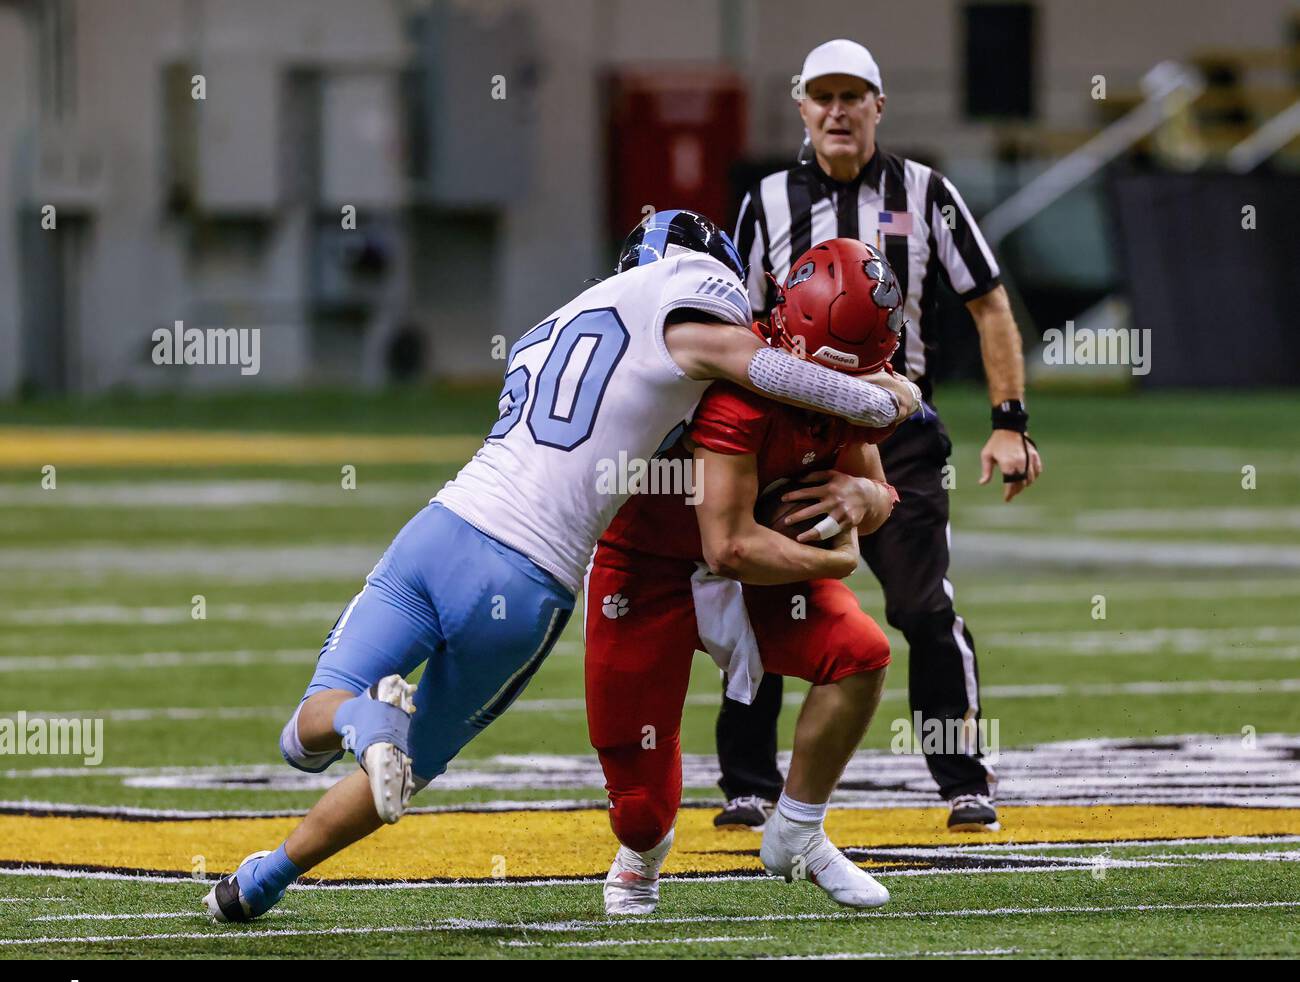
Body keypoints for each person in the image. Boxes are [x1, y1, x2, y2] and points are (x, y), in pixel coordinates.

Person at [203, 209, 922, 923]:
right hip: (532, 575)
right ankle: (298, 839)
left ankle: (272, 858)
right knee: (418, 768)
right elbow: (830, 390)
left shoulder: (550, 326)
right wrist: (903, 395)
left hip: (442, 529)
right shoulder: (698, 317)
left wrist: (866, 488)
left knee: (304, 733)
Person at [719, 39, 1043, 834]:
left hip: (896, 427)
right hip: (790, 429)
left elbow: (989, 301)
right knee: (763, 596)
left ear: (878, 106)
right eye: (822, 96)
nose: (836, 110)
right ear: (801, 105)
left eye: (852, 96)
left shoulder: (927, 191)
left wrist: (1008, 424)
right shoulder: (763, 202)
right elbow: (732, 317)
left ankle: (963, 777)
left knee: (922, 606)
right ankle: (748, 784)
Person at [587, 239, 904, 914]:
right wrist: (835, 559)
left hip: (755, 564)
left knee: (861, 654)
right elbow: (727, 546)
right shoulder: (734, 390)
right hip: (650, 570)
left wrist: (866, 498)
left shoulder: (826, 375)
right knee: (640, 810)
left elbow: (877, 486)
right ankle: (639, 856)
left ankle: (798, 830)